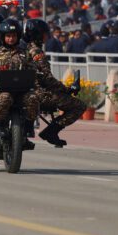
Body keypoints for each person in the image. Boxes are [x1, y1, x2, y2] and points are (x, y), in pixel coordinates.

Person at [23, 19, 85, 147]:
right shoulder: (36, 52)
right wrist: (66, 89)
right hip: (39, 93)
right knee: (79, 106)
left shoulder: (23, 48)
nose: (47, 36)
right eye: (44, 34)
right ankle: (51, 132)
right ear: (38, 34)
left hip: (26, 91)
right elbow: (47, 78)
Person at [0, 18, 41, 148]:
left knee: (33, 98)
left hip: (21, 91)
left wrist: (35, 86)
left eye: (14, 36)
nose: (11, 39)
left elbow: (33, 72)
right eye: (8, 36)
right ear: (3, 37)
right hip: (1, 91)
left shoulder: (25, 54)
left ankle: (28, 126)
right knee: (5, 98)